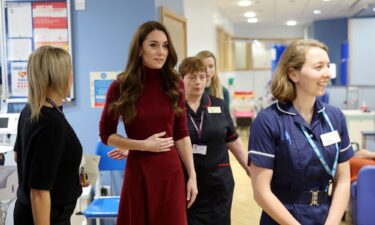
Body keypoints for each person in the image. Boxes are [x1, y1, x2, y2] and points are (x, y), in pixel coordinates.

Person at [99, 21, 198, 225]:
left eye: (165, 45)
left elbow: (181, 133)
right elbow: (106, 134)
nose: (161, 51)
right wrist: (142, 145)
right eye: (153, 45)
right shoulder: (121, 86)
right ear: (139, 49)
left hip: (171, 173)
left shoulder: (175, 84)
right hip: (139, 172)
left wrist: (192, 175)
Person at [248, 39, 354, 225]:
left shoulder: (334, 117)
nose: (327, 74)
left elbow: (343, 180)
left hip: (324, 216)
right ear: (293, 74)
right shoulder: (267, 121)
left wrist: (332, 222)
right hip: (282, 218)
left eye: (328, 66)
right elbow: (261, 192)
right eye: (319, 67)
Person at [13, 46, 82, 225]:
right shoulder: (50, 123)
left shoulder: (30, 110)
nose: (71, 76)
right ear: (60, 77)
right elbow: (39, 192)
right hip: (46, 216)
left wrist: (69, 180)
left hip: (27, 211)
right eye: (69, 71)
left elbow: (20, 156)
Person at [179, 57, 249, 225]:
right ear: (181, 79)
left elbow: (233, 140)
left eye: (202, 77)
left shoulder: (218, 105)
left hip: (218, 182)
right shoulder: (174, 108)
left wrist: (250, 169)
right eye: (192, 77)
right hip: (186, 183)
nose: (198, 82)